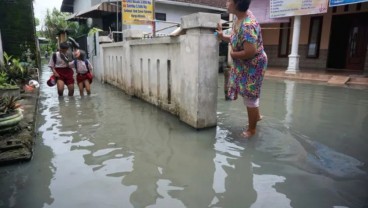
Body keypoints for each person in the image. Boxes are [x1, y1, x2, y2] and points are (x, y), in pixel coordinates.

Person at [216, 0, 267, 138]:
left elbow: (250, 51)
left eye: (229, 1)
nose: (226, 3)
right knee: (246, 91)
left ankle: (252, 130)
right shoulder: (239, 19)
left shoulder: (248, 25)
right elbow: (236, 38)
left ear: (237, 4)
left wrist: (233, 54)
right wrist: (222, 37)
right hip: (244, 63)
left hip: (253, 63)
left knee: (250, 95)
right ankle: (256, 116)